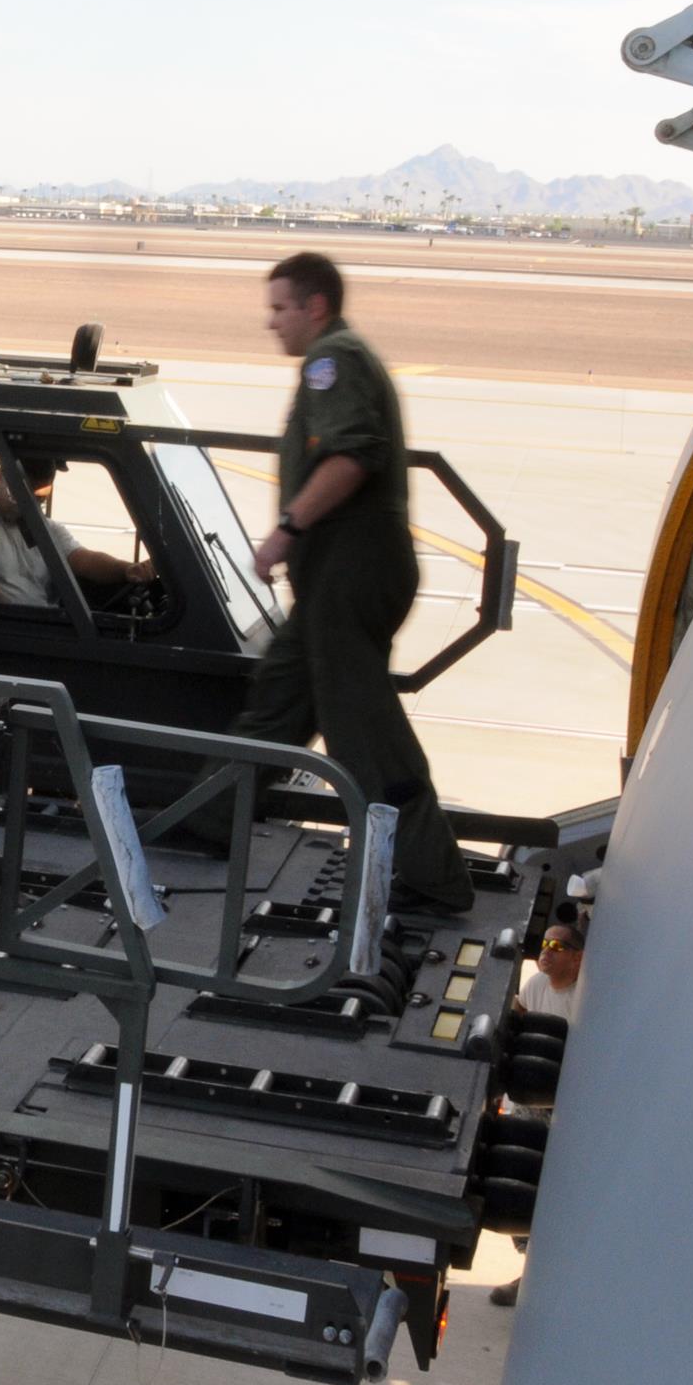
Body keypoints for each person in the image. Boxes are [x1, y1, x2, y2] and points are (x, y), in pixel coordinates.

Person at [240, 252, 477, 920]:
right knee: (278, 698)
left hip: (352, 570)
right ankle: (203, 824)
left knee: (363, 732)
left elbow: (350, 455)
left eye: (281, 307)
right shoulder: (335, 359)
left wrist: (286, 528)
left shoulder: (332, 361)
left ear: (315, 306)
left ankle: (433, 875)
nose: (272, 322)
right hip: (334, 579)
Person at [489, 919, 584, 1308]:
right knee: (519, 1184)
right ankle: (531, 1271)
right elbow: (514, 1023)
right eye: (545, 943)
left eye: (558, 947)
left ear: (578, 959)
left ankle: (542, 1277)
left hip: (565, 1111)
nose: (546, 950)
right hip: (528, 1106)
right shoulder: (535, 985)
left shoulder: (583, 997)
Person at [0, 456, 155, 607]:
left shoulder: (43, 528)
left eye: (39, 497)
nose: (27, 505)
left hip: (42, 622)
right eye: (18, 495)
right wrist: (21, 622)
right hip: (1, 629)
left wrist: (127, 570)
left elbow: (84, 560)